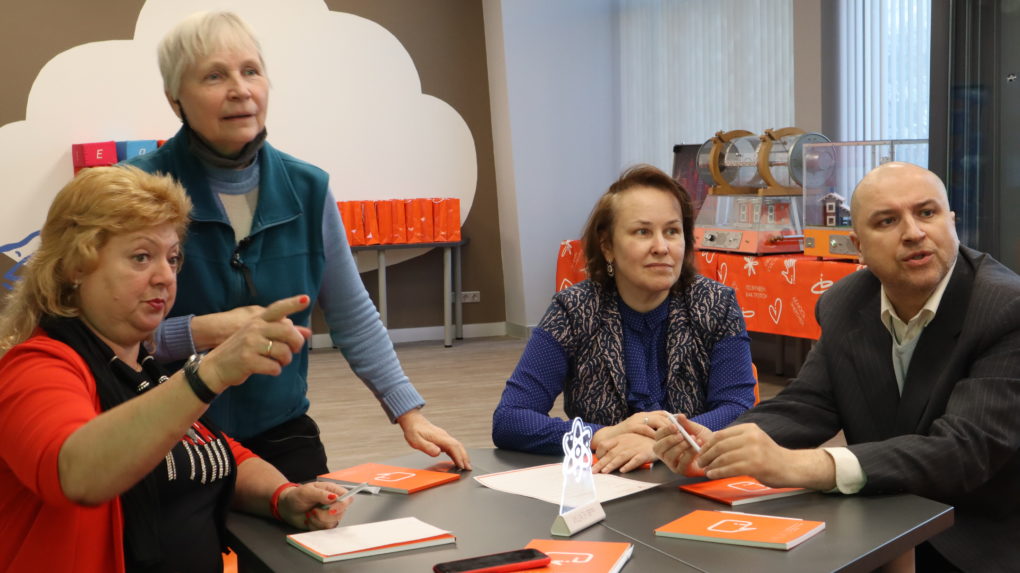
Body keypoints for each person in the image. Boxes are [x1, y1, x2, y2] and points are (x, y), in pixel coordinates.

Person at [126, 11, 469, 482]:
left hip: (279, 429)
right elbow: (105, 334)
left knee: (316, 521)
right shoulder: (137, 190)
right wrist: (207, 330)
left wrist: (408, 412)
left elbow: (352, 313)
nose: (240, 90)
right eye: (214, 76)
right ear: (175, 99)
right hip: (170, 432)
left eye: (251, 71)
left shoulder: (308, 188)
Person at [654, 162, 1020, 572]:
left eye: (927, 212)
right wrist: (718, 446)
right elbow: (807, 404)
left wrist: (802, 465)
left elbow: (964, 451)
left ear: (951, 221)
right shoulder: (846, 302)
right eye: (887, 221)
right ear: (857, 245)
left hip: (974, 538)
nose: (914, 232)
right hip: (881, 515)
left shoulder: (1005, 308)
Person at [0, 166, 354, 573]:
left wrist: (283, 496)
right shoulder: (36, 368)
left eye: (172, 259)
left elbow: (208, 451)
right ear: (75, 266)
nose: (165, 277)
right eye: (141, 257)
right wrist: (207, 374)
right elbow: (76, 474)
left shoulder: (143, 369)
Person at [492, 165, 757, 473]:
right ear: (607, 246)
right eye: (642, 232)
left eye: (672, 231)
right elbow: (510, 418)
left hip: (690, 480)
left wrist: (664, 444)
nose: (662, 247)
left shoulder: (715, 304)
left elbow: (738, 408)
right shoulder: (574, 310)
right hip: (605, 482)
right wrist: (600, 434)